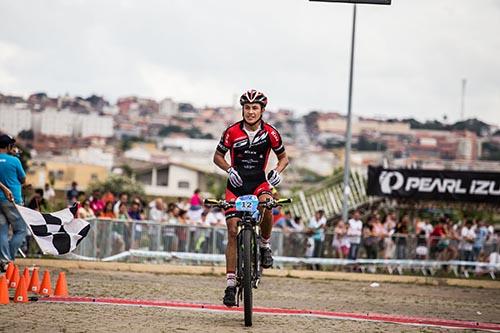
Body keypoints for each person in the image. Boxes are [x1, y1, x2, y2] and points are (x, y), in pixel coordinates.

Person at [213, 89, 289, 306]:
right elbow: (217, 156)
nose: (251, 112)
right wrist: (229, 169)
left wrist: (277, 172)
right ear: (243, 109)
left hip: (259, 183)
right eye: (247, 108)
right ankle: (229, 285)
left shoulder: (271, 133)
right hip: (236, 185)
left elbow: (283, 158)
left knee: (268, 203)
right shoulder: (231, 132)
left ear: (262, 110)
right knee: (231, 229)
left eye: (255, 108)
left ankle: (264, 245)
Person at [0, 134, 27, 270]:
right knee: (21, 230)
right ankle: (9, 259)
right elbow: (23, 179)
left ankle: (3, 261)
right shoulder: (14, 160)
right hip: (12, 199)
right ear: (9, 146)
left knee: (2, 231)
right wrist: (17, 158)